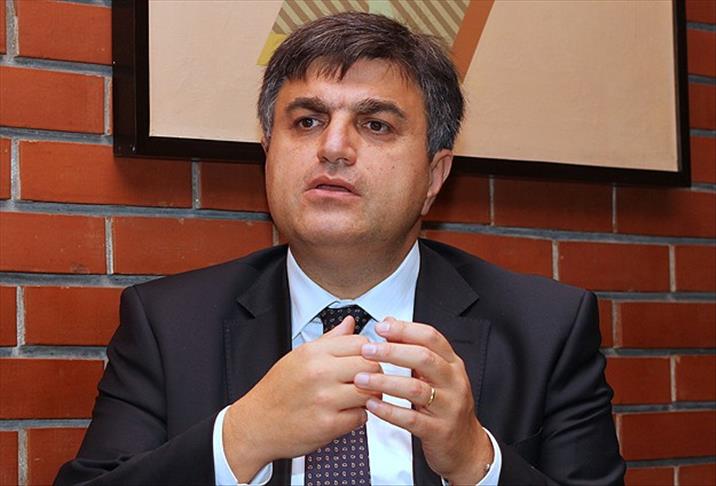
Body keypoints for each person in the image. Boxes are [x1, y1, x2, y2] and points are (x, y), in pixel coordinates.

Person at [55, 12, 625, 486]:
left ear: (434, 175)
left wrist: (478, 463)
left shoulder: (547, 328)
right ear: (268, 152)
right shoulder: (167, 323)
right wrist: (241, 438)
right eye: (307, 121)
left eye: (376, 125)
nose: (333, 147)